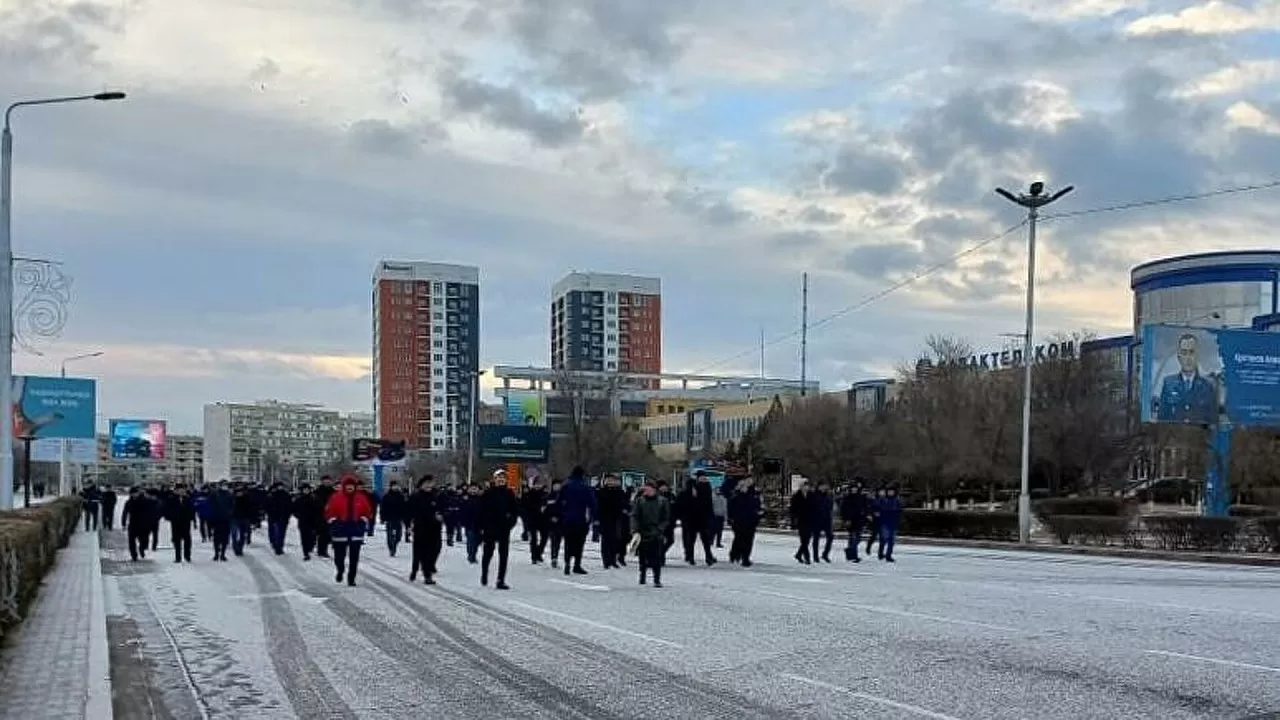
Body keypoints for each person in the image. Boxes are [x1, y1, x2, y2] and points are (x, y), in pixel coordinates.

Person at [1157, 332, 1218, 424]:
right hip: (1174, 436)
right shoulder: (1169, 384)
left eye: (1191, 352)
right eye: (1184, 353)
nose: (1188, 358)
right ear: (1179, 357)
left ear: (1197, 356)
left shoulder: (1207, 386)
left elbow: (1213, 421)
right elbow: (1162, 418)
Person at [324, 475, 373, 586]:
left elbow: (368, 511)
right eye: (348, 485)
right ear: (344, 486)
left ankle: (352, 578)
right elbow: (328, 511)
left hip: (356, 530)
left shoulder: (361, 497)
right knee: (339, 556)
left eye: (352, 485)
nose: (350, 488)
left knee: (354, 557)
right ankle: (340, 570)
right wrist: (333, 520)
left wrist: (363, 519)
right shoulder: (336, 497)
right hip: (340, 530)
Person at [477, 470, 519, 589]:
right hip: (490, 527)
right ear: (494, 479)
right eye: (498, 478)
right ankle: (484, 573)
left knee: (504, 555)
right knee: (488, 553)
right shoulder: (488, 493)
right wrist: (481, 527)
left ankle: (500, 580)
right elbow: (481, 511)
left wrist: (511, 521)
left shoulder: (509, 493)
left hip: (504, 528)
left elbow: (515, 510)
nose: (501, 480)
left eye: (503, 478)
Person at [630, 480, 670, 588]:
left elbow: (666, 518)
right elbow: (634, 516)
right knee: (642, 556)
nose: (646, 491)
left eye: (648, 489)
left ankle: (657, 578)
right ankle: (642, 575)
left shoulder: (662, 501)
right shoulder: (640, 501)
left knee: (656, 557)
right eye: (645, 489)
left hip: (656, 532)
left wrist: (660, 528)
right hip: (642, 532)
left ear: (654, 490)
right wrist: (635, 530)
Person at [557, 466, 595, 576]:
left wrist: (561, 515)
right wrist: (591, 518)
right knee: (579, 543)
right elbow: (592, 504)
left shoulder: (566, 486)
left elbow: (559, 502)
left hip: (567, 519)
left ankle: (567, 562)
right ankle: (577, 565)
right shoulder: (585, 487)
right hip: (581, 519)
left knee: (568, 542)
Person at [408, 475, 443, 584]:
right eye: (426, 483)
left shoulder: (436, 496)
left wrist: (441, 516)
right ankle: (416, 571)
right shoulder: (415, 496)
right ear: (422, 484)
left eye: (431, 483)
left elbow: (442, 508)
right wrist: (409, 525)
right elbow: (411, 512)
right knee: (419, 553)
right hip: (420, 528)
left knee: (433, 551)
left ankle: (427, 572)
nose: (429, 485)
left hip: (435, 529)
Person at [595, 474, 629, 569]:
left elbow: (624, 503)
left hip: (617, 518)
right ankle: (606, 561)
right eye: (608, 480)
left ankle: (613, 560)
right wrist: (597, 518)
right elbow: (598, 506)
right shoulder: (601, 492)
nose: (610, 482)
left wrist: (624, 510)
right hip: (605, 518)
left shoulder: (619, 492)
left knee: (616, 540)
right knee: (606, 540)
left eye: (612, 480)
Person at [727, 477, 763, 567]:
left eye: (750, 481)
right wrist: (731, 518)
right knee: (739, 539)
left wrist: (759, 514)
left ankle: (745, 557)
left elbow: (759, 506)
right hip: (738, 521)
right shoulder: (737, 495)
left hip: (751, 521)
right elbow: (731, 507)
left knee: (748, 540)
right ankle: (735, 554)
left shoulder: (755, 494)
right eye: (747, 481)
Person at [164, 484, 197, 563]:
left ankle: (187, 556)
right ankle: (178, 557)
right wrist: (170, 517)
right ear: (175, 491)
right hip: (176, 522)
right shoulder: (171, 499)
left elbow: (192, 509)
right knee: (176, 540)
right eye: (179, 490)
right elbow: (166, 510)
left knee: (187, 540)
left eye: (183, 490)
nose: (181, 492)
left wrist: (193, 519)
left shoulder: (187, 499)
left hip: (186, 522)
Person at [840, 481, 870, 562]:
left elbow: (866, 508)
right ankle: (854, 556)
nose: (854, 490)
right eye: (852, 488)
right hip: (850, 521)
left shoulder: (861, 498)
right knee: (853, 538)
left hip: (859, 520)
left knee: (858, 539)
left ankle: (849, 552)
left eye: (855, 488)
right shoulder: (847, 498)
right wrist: (846, 519)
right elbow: (843, 510)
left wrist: (866, 516)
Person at [520, 477, 548, 564]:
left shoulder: (545, 494)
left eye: (540, 484)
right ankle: (534, 556)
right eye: (536, 484)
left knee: (545, 537)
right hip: (532, 519)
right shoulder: (530, 493)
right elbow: (525, 506)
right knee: (534, 539)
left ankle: (538, 552)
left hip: (543, 519)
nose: (538, 486)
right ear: (534, 484)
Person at [121, 487, 153, 561]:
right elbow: (125, 513)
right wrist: (123, 523)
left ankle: (142, 548)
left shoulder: (145, 501)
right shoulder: (129, 502)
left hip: (143, 524)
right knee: (131, 541)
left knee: (144, 540)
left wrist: (150, 522)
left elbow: (150, 512)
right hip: (133, 524)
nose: (134, 495)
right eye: (133, 493)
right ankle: (134, 555)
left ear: (138, 493)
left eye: (136, 493)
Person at [380, 480, 408, 558]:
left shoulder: (401, 496)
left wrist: (405, 517)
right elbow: (383, 508)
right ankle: (391, 548)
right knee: (390, 535)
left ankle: (395, 544)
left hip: (398, 518)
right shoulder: (386, 496)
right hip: (389, 518)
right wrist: (383, 518)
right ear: (391, 486)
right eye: (394, 486)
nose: (395, 487)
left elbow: (404, 507)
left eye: (396, 486)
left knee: (398, 535)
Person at [809, 481, 835, 563]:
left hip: (826, 520)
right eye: (823, 486)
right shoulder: (814, 496)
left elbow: (830, 507)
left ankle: (825, 554)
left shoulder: (828, 496)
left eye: (825, 486)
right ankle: (815, 556)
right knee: (816, 538)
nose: (824, 488)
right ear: (819, 487)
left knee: (830, 537)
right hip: (817, 519)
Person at [208, 481, 235, 561]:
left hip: (226, 519)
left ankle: (223, 554)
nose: (224, 486)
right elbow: (210, 505)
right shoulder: (214, 494)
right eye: (223, 485)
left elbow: (233, 505)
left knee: (225, 538)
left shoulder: (229, 494)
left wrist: (230, 513)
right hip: (216, 519)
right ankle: (216, 554)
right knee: (216, 538)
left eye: (226, 485)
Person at [875, 486, 903, 562]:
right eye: (889, 491)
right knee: (885, 539)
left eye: (892, 491)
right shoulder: (883, 500)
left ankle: (888, 555)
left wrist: (898, 520)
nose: (890, 493)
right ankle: (881, 553)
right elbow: (876, 508)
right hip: (884, 523)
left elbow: (899, 511)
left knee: (891, 541)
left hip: (893, 523)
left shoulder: (896, 501)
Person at [292, 484, 320, 560]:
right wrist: (298, 515)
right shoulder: (299, 499)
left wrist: (316, 518)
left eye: (308, 489)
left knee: (312, 537)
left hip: (312, 521)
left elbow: (318, 509)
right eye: (305, 489)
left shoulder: (314, 498)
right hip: (303, 521)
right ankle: (306, 552)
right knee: (304, 537)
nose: (306, 491)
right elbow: (294, 509)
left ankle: (310, 547)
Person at [265, 482, 293, 555]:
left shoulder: (286, 495)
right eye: (279, 486)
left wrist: (288, 515)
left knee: (281, 533)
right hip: (274, 517)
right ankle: (276, 545)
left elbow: (290, 506)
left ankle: (279, 546)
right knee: (276, 532)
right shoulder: (272, 495)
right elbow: (268, 506)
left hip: (283, 517)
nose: (280, 488)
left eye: (281, 486)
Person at [790, 481, 813, 564]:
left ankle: (799, 554)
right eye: (804, 486)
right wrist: (794, 521)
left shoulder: (811, 496)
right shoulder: (796, 496)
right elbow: (793, 510)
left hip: (809, 520)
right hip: (801, 520)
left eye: (807, 486)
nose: (806, 488)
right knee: (803, 540)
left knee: (807, 539)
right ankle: (807, 557)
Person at [458, 483, 482, 563]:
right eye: (472, 489)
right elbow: (461, 511)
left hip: (479, 524)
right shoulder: (465, 499)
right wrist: (462, 521)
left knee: (477, 541)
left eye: (475, 489)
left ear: (478, 490)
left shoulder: (481, 499)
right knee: (470, 540)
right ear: (468, 490)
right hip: (469, 523)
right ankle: (471, 556)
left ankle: (473, 554)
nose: (473, 491)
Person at [541, 479, 563, 568]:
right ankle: (554, 558)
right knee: (553, 540)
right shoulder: (548, 497)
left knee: (558, 541)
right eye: (555, 485)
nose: (557, 487)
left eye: (558, 485)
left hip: (561, 522)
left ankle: (555, 556)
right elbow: (544, 510)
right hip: (550, 523)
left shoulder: (564, 497)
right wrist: (550, 517)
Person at [314, 476, 336, 558]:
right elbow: (315, 503)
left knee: (328, 534)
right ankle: (321, 550)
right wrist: (322, 506)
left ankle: (324, 550)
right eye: (325, 481)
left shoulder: (333, 492)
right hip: (320, 516)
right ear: (322, 482)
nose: (327, 482)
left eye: (328, 481)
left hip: (331, 515)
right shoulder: (318, 491)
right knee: (322, 534)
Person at [231, 484, 255, 557]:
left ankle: (240, 548)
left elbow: (250, 509)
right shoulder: (232, 499)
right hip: (234, 519)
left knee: (242, 535)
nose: (239, 493)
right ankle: (235, 548)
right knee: (234, 534)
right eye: (238, 492)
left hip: (244, 518)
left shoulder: (247, 499)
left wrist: (252, 519)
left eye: (240, 492)